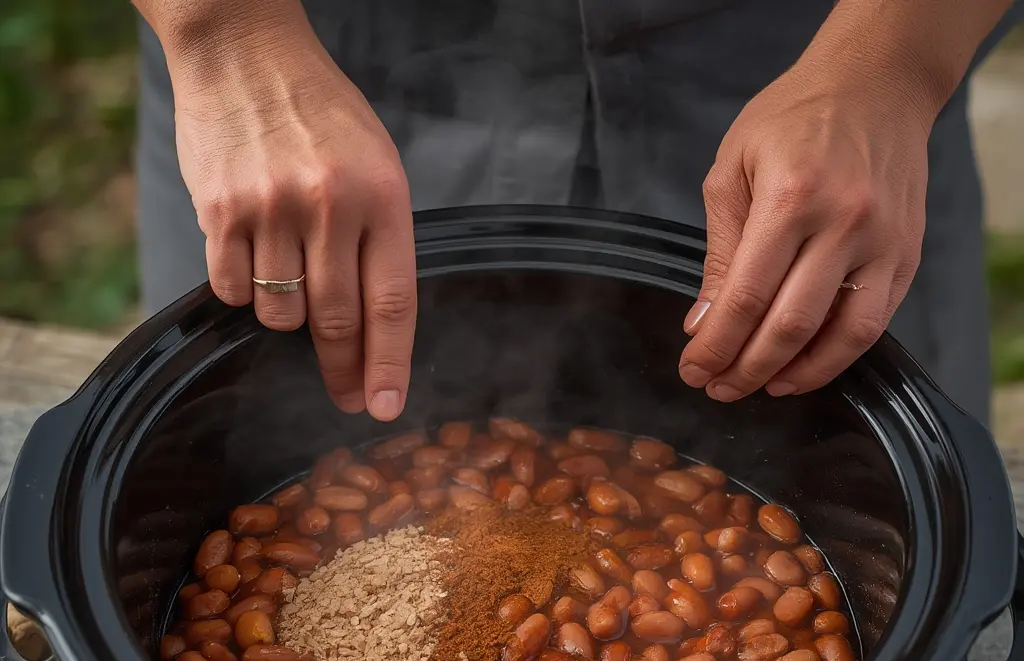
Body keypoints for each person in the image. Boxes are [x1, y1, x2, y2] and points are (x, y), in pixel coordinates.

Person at [133, 0, 1022, 426]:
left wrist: (897, 61)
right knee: (222, 430)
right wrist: (221, 34)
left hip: (817, 82)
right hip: (301, 73)